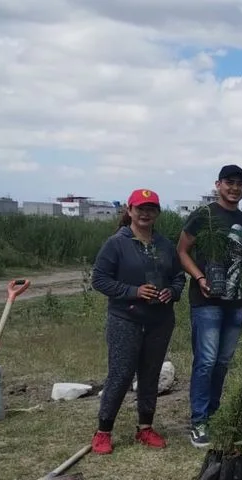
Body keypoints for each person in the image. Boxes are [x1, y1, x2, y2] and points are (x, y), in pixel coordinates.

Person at [89, 189, 186, 454]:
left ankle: (145, 428)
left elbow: (179, 277)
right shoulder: (116, 243)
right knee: (120, 374)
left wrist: (173, 291)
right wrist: (134, 291)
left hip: (160, 320)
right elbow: (99, 280)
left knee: (150, 375)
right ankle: (103, 431)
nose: (145, 213)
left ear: (157, 213)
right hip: (125, 319)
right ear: (129, 211)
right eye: (140, 208)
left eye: (151, 209)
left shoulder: (165, 245)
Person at [177, 164, 242, 448]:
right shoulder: (203, 215)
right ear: (218, 185)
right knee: (206, 361)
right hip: (206, 300)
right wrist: (199, 277)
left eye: (240, 184)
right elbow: (182, 251)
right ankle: (198, 420)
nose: (234, 188)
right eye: (229, 183)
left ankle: (213, 413)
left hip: (235, 300)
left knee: (222, 362)